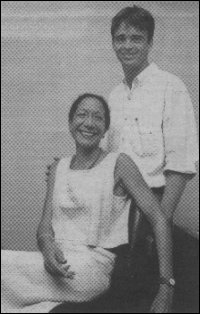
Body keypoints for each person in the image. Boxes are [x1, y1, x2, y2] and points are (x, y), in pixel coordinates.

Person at [2, 93, 174, 313]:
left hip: (91, 268)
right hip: (57, 261)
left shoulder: (119, 164)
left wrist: (166, 286)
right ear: (70, 123)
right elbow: (44, 227)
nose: (89, 123)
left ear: (105, 129)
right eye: (82, 115)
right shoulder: (58, 168)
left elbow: (159, 219)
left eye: (98, 118)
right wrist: (47, 249)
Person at [102, 5, 199, 221]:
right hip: (113, 210)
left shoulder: (170, 87)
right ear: (113, 44)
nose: (127, 45)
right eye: (121, 38)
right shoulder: (114, 96)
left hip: (152, 207)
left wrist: (159, 223)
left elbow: (180, 163)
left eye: (136, 38)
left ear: (150, 43)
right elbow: (107, 160)